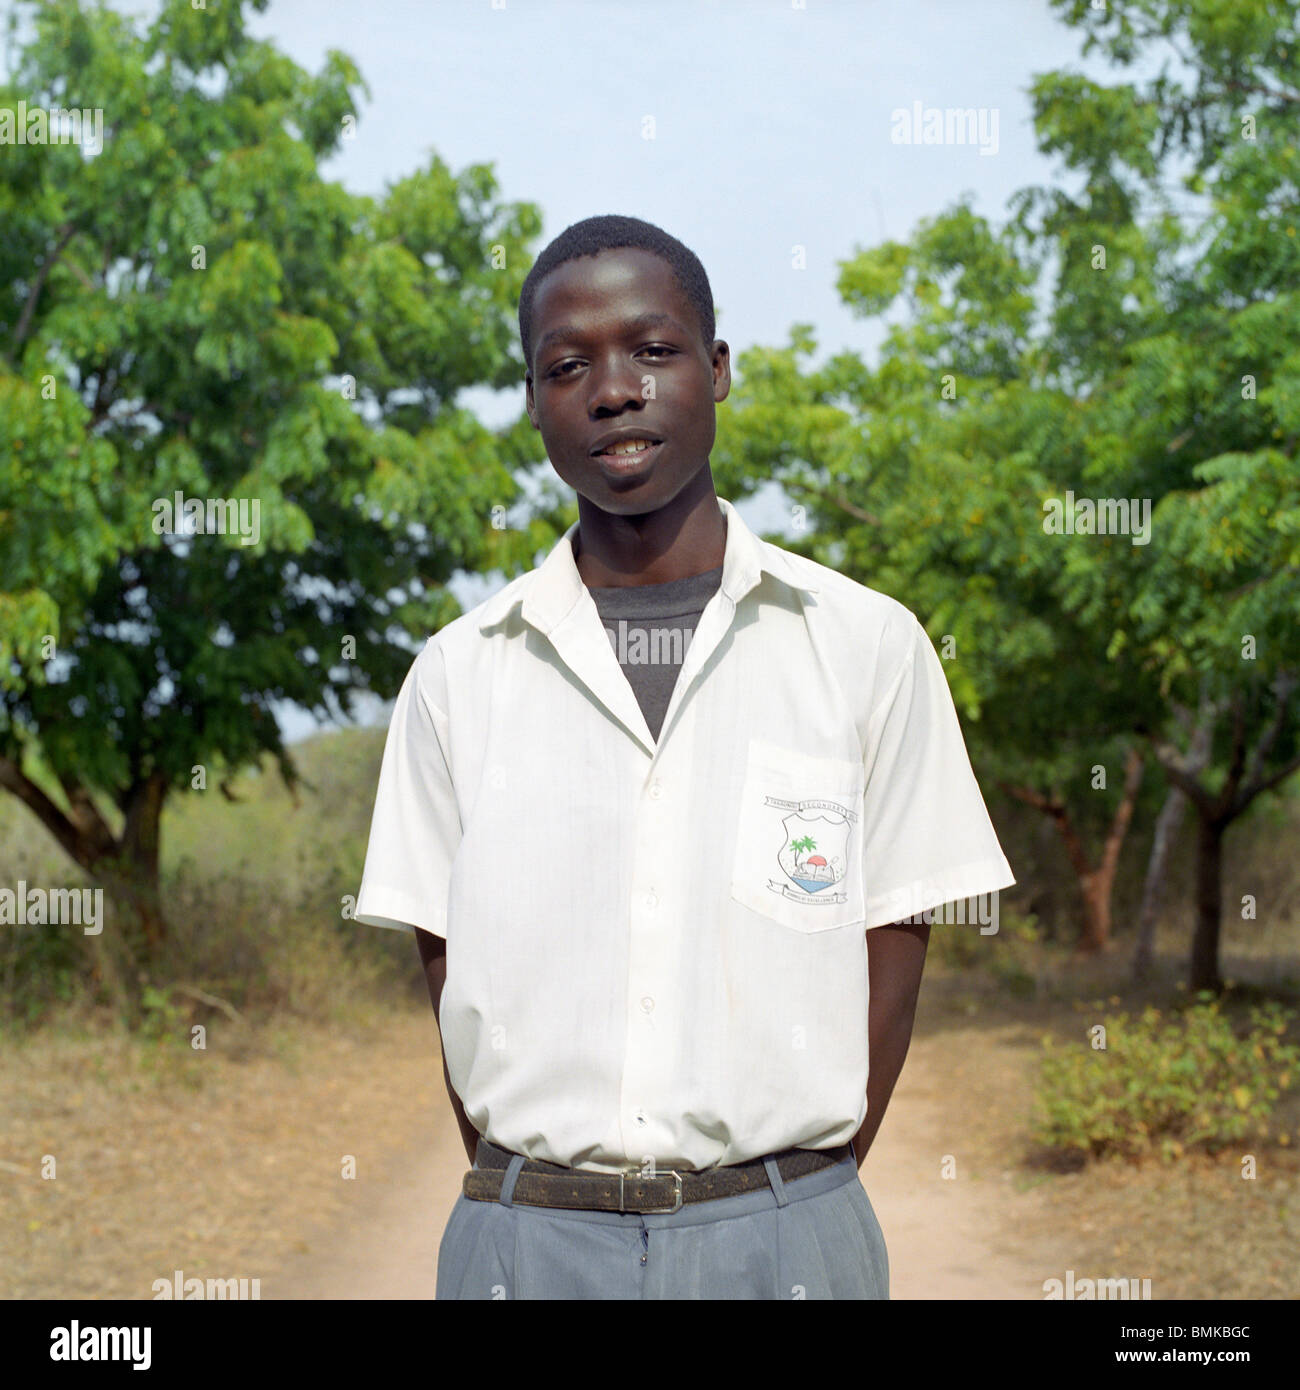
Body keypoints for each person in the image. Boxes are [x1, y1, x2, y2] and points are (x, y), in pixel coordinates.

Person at [354, 214, 1015, 1300]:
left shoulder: (861, 644)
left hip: (788, 1234)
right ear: (533, 401)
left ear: (714, 369)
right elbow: (445, 955)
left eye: (652, 350)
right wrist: (535, 1190)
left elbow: (894, 932)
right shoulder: (460, 673)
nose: (613, 388)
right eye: (567, 364)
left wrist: (797, 1193)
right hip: (527, 1244)